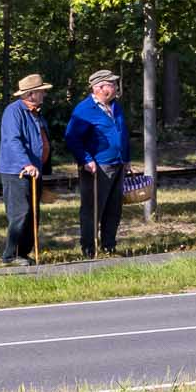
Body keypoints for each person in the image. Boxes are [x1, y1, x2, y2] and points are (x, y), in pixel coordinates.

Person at [63, 68, 129, 257]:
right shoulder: (84, 110)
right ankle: (89, 249)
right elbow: (72, 138)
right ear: (100, 87)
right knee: (93, 209)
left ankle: (109, 246)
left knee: (114, 207)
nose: (116, 87)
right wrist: (85, 159)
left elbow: (123, 132)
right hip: (97, 167)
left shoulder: (115, 106)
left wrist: (126, 158)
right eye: (113, 84)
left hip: (117, 164)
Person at [0, 73, 51, 266]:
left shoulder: (36, 112)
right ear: (31, 93)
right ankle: (9, 255)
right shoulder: (14, 111)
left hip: (34, 170)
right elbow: (12, 140)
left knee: (33, 213)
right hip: (16, 170)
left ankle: (23, 253)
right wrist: (25, 163)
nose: (44, 94)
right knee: (21, 212)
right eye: (41, 91)